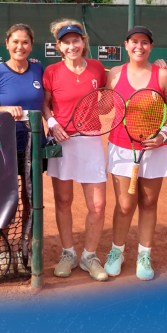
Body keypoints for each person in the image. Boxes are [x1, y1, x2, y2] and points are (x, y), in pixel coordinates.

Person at [105, 26, 167, 281]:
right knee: (125, 205)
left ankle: (144, 255)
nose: (139, 46)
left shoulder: (163, 76)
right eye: (134, 41)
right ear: (126, 45)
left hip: (154, 149)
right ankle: (116, 252)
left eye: (145, 42)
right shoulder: (114, 74)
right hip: (121, 147)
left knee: (148, 203)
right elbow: (103, 103)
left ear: (151, 47)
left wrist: (163, 135)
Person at [0, 23, 45, 275]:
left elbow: (47, 102)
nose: (20, 46)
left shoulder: (38, 68)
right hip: (4, 145)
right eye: (15, 41)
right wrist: (4, 109)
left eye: (25, 42)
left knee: (31, 200)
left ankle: (25, 248)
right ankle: (4, 248)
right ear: (7, 43)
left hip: (34, 145)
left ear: (31, 45)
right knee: (6, 199)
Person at [42, 20, 109, 282]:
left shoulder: (97, 68)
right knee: (63, 201)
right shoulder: (51, 71)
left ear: (83, 42)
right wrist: (53, 123)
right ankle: (68, 254)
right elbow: (45, 104)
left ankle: (89, 256)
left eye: (76, 41)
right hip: (62, 141)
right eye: (66, 42)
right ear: (59, 46)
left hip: (90, 140)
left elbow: (105, 101)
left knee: (98, 205)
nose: (72, 46)